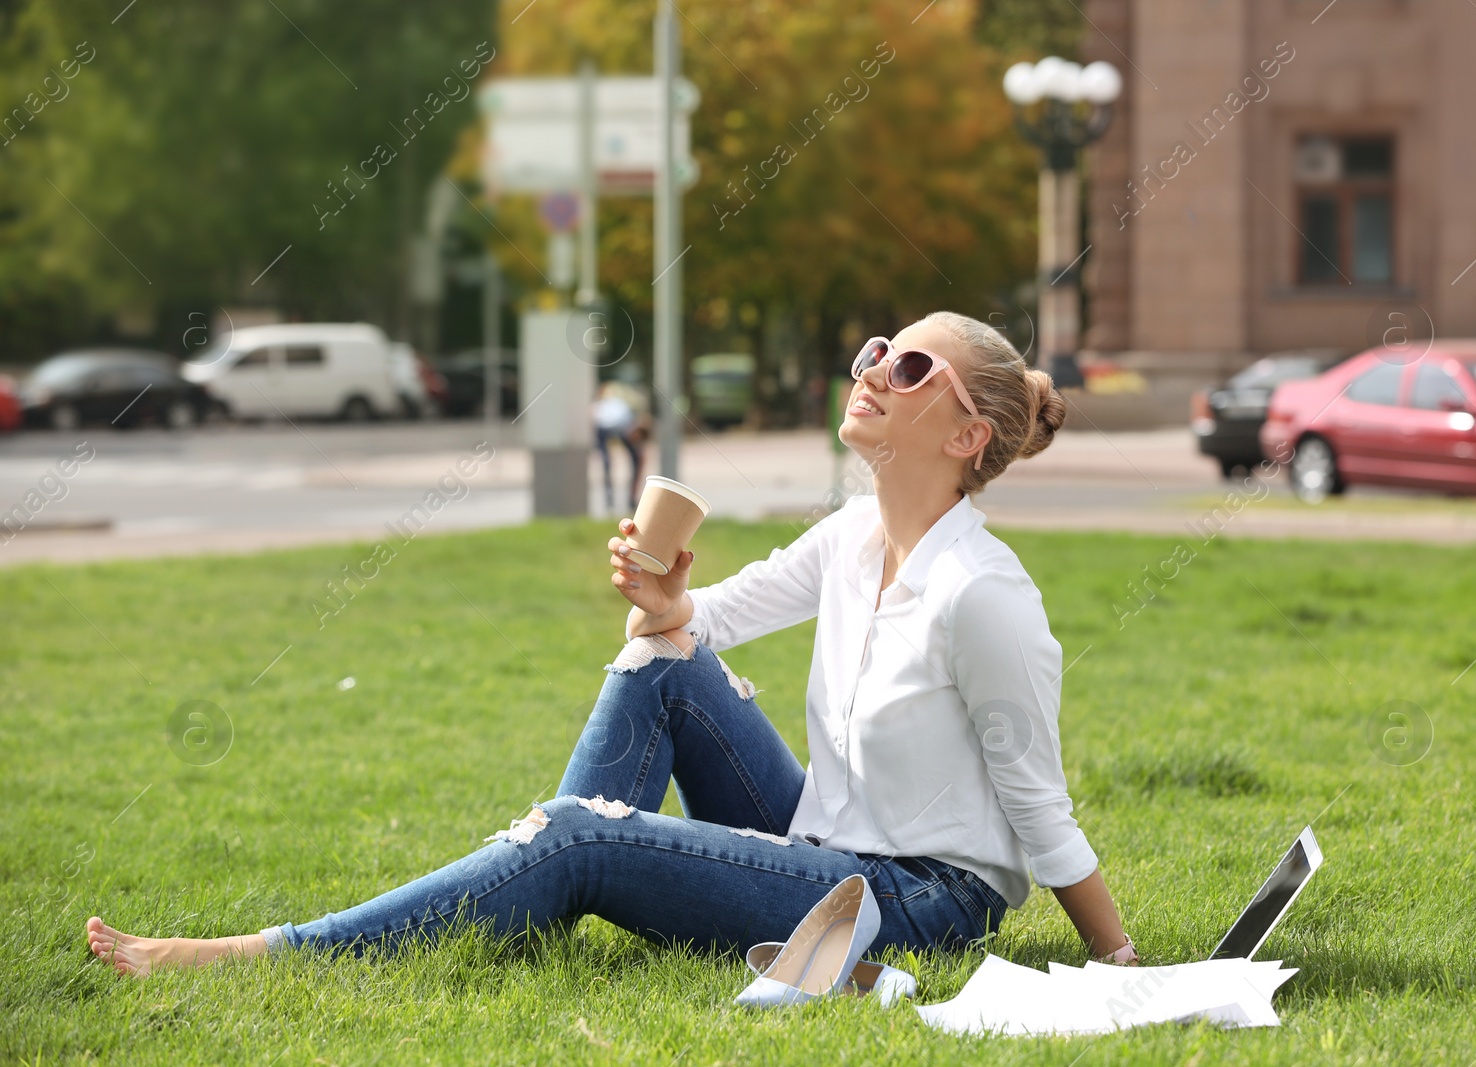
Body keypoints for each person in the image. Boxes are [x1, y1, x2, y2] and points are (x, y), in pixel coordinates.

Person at [85, 311, 1135, 978]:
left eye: (909, 367)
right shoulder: (854, 534)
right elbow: (681, 632)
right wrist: (667, 594)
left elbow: (1039, 805)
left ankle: (267, 952)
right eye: (877, 347)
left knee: (582, 832)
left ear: (966, 438)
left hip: (913, 903)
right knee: (658, 669)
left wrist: (1122, 960)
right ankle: (541, 866)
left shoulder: (983, 594)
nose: (872, 368)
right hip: (826, 841)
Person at [593, 380, 645, 510]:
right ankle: (625, 498)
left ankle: (614, 499)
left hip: (607, 426)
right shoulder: (624, 409)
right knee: (634, 460)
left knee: (608, 463)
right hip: (615, 426)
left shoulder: (608, 406)